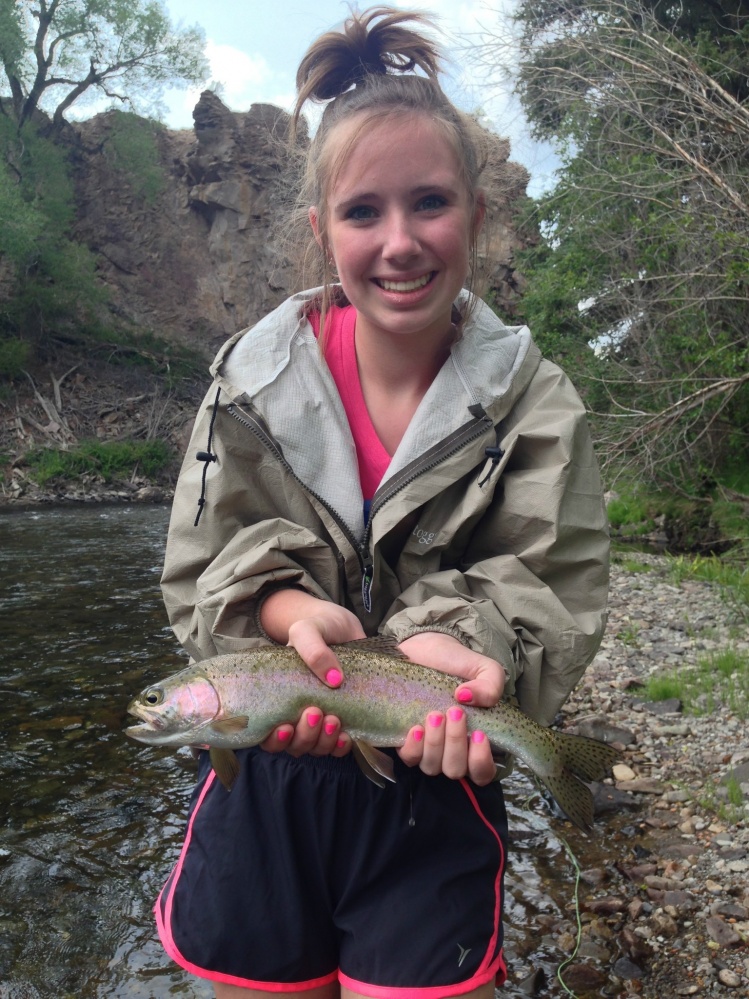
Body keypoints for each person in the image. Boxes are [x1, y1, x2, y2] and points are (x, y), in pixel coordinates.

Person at [156, 7, 609, 998]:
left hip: (439, 774)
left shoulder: (534, 404)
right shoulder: (245, 382)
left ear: (476, 216)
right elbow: (199, 570)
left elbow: (549, 584)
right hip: (262, 779)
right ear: (321, 232)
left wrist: (462, 651)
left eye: (430, 204)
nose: (398, 243)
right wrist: (281, 612)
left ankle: (561, 766)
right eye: (363, 213)